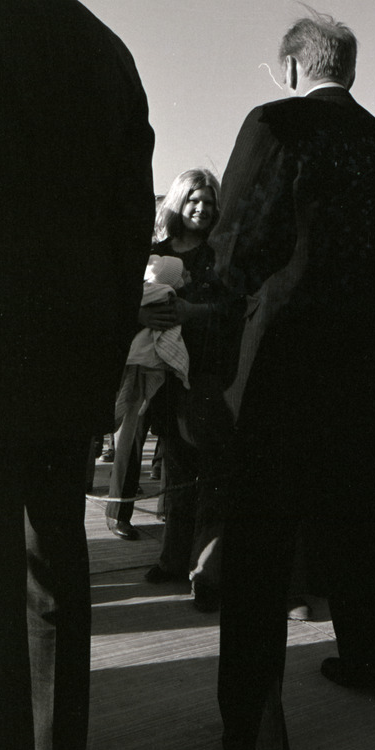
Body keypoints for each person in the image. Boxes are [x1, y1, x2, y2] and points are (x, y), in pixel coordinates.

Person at [209, 12, 375, 750]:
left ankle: (255, 732)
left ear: (295, 66)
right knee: (355, 522)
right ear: (349, 69)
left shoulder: (277, 123)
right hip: (362, 362)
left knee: (260, 546)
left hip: (282, 362)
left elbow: (238, 244)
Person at [0, 0, 155, 750]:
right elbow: (131, 224)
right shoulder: (103, 48)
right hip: (68, 361)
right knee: (54, 581)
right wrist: (104, 356)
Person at [140, 169, 232, 613]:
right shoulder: (154, 254)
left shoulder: (220, 253)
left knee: (211, 471)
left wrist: (193, 312)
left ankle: (206, 571)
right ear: (178, 201)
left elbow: (234, 307)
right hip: (165, 374)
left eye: (210, 203)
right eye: (195, 199)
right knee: (175, 465)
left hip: (209, 373)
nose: (202, 209)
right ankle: (173, 557)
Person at [106, 255, 190, 523]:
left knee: (164, 439)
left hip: (154, 365)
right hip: (145, 363)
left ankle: (165, 509)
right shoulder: (161, 284)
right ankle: (119, 512)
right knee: (130, 435)